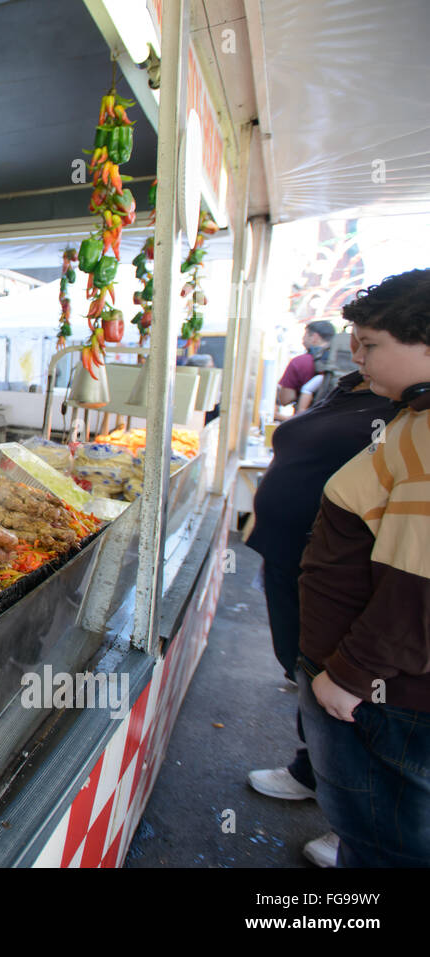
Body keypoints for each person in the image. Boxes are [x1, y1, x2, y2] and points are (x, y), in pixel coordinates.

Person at [244, 330, 399, 867]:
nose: (356, 353)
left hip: (354, 578)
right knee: (304, 669)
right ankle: (314, 772)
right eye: (354, 340)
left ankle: (358, 827)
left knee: (352, 695)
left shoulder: (409, 412)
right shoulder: (351, 388)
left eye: (371, 342)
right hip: (299, 562)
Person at [296, 268, 430, 867]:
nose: (357, 356)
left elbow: (416, 584)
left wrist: (351, 675)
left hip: (385, 697)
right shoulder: (412, 416)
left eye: (372, 344)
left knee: (384, 846)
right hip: (376, 687)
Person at [275, 320, 335, 413]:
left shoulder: (299, 362)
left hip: (307, 421)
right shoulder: (343, 362)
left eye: (305, 335)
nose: (302, 340)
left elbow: (285, 399)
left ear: (314, 337)